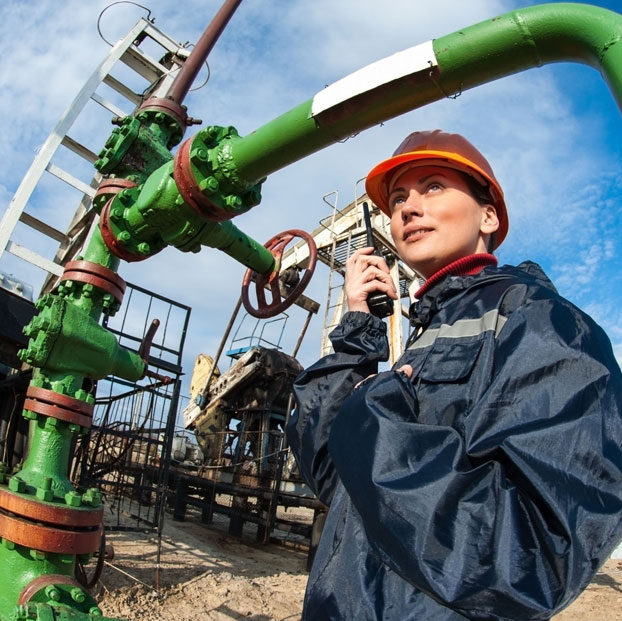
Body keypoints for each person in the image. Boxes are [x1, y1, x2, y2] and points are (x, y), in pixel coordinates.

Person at [286, 130, 622, 620]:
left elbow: (530, 557)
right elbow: (334, 477)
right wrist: (358, 330)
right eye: (398, 198)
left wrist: (375, 418)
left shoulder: (542, 323)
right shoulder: (425, 337)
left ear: (489, 215)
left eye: (434, 186)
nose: (407, 208)